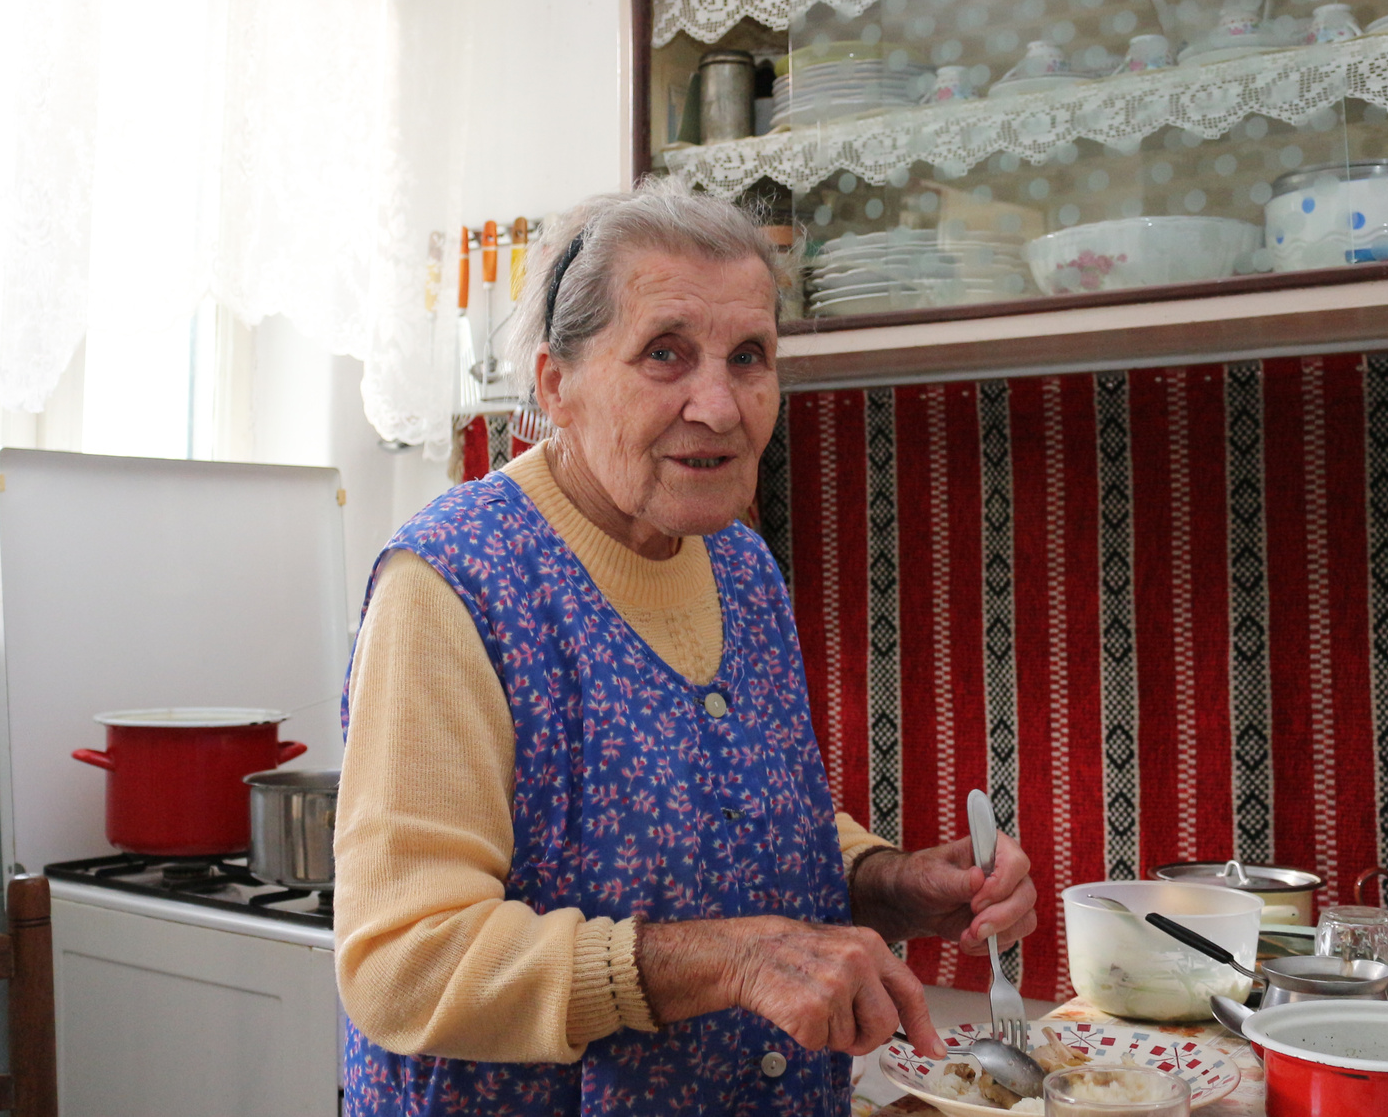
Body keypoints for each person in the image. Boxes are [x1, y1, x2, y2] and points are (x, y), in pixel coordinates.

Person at [335, 182, 1040, 1114]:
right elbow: (402, 965)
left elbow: (740, 822)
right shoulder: (454, 584)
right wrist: (731, 960)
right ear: (556, 386)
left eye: (748, 357)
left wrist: (889, 883)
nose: (718, 405)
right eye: (664, 353)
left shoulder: (738, 565)